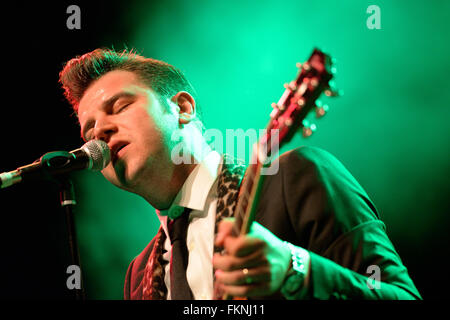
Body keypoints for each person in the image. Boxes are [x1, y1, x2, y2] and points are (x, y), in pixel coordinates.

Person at [59, 48, 422, 300]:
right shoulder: (139, 275)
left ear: (182, 108)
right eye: (89, 132)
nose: (100, 133)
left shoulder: (294, 177)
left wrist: (296, 271)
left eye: (119, 107)